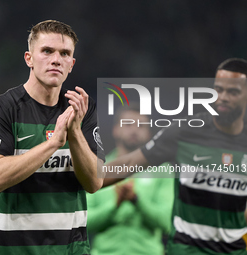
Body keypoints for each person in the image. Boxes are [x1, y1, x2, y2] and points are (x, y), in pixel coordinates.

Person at [0, 20, 105, 254]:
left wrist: (74, 133)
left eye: (64, 53)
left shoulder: (82, 109)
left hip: (70, 249)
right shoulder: (2, 109)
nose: (56, 59)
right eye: (47, 51)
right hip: (15, 250)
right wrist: (53, 143)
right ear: (29, 59)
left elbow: (94, 183)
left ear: (71, 64)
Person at [104, 58, 247, 254]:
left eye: (233, 92)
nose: (223, 97)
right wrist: (87, 175)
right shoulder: (184, 132)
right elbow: (130, 162)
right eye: (219, 89)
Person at [87, 104, 174, 255]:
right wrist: (114, 205)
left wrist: (136, 200)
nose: (134, 130)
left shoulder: (163, 171)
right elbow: (85, 221)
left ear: (148, 132)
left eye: (141, 125)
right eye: (127, 124)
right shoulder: (98, 169)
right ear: (116, 129)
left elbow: (167, 222)